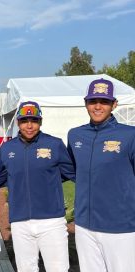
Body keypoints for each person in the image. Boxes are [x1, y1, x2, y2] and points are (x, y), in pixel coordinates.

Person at [0, 101, 75, 272]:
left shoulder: (55, 144)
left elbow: (71, 172)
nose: (29, 126)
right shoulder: (7, 149)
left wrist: (46, 181)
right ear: (18, 123)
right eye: (24, 120)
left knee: (58, 268)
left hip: (51, 221)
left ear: (40, 121)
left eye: (34, 120)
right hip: (20, 222)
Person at [67, 78, 135, 272]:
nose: (98, 106)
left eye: (104, 101)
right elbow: (73, 170)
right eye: (93, 101)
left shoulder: (130, 135)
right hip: (84, 226)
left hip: (120, 227)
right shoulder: (75, 135)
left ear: (114, 104)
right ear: (85, 103)